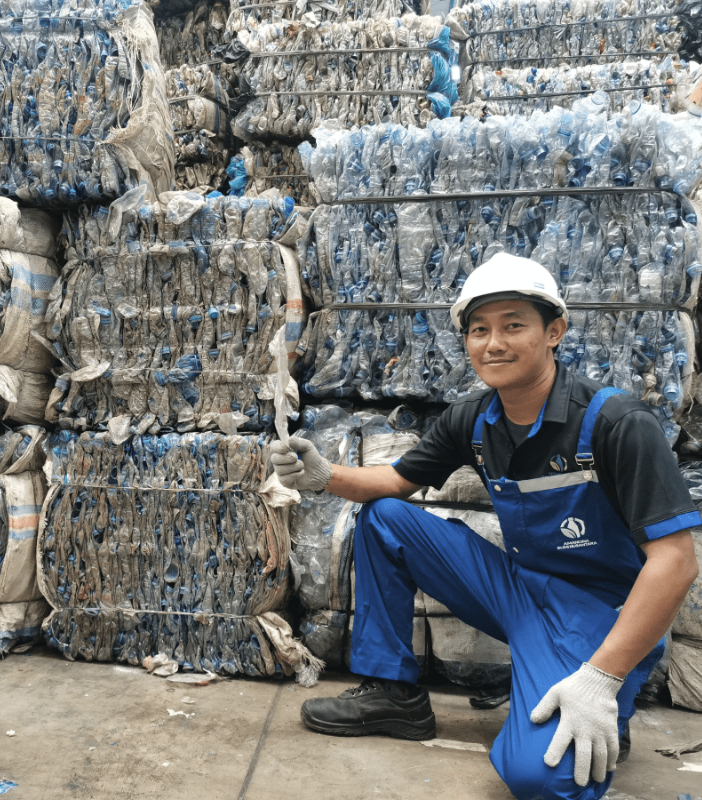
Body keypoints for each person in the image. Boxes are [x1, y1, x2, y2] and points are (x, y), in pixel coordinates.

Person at [271, 254, 700, 800]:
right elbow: (395, 482)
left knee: (541, 779)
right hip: (518, 590)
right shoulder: (474, 419)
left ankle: (602, 698)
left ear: (555, 332)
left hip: (596, 617)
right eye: (479, 330)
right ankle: (394, 694)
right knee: (387, 518)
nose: (493, 343)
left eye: (513, 325)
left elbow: (675, 562)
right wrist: (324, 475)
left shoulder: (616, 423)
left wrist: (602, 678)